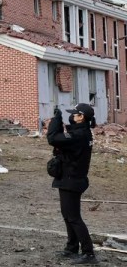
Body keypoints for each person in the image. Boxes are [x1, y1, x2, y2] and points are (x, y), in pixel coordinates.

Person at [47, 103, 98, 265]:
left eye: (74, 114)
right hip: (71, 178)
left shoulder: (79, 135)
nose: (72, 116)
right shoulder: (81, 132)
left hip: (72, 180)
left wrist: (56, 119)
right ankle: (72, 247)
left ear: (81, 117)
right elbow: (61, 140)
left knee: (73, 217)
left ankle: (88, 253)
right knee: (68, 215)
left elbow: (53, 138)